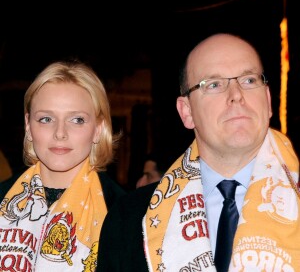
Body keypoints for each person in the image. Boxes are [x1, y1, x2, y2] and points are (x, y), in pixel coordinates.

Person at [98, 33, 300, 271]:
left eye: (248, 80)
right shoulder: (131, 220)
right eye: (214, 84)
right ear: (186, 112)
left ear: (267, 99)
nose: (237, 95)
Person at [0, 60, 125, 271]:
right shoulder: (3, 198)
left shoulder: (124, 215)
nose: (60, 133)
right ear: (28, 126)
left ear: (98, 129)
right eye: (46, 119)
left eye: (76, 120)